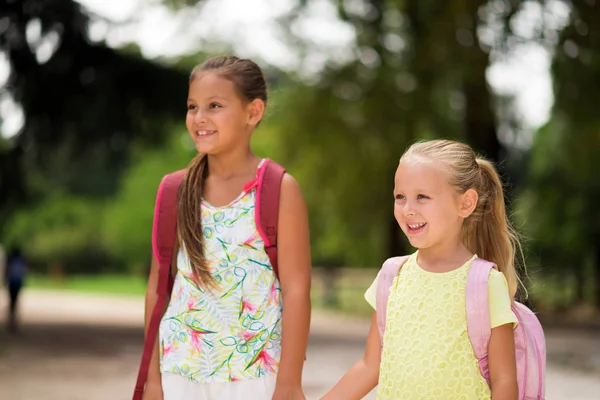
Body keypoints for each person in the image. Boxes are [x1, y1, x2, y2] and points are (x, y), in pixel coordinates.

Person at [143, 56, 311, 400]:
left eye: (214, 106)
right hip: (180, 376)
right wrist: (153, 381)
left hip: (256, 378)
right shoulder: (174, 190)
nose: (199, 118)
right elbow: (157, 289)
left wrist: (290, 384)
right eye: (192, 107)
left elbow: (296, 292)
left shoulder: (278, 189)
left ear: (253, 112)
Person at [322, 139, 521, 399]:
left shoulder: (484, 282)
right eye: (400, 197)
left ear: (466, 203)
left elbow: (504, 380)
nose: (408, 210)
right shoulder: (391, 276)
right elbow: (371, 366)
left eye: (422, 197)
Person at [4, 246, 28, 333]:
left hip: (12, 283)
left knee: (12, 301)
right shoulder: (22, 261)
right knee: (15, 300)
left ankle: (11, 318)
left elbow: (7, 272)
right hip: (18, 283)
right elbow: (24, 272)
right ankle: (13, 319)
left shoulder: (11, 261)